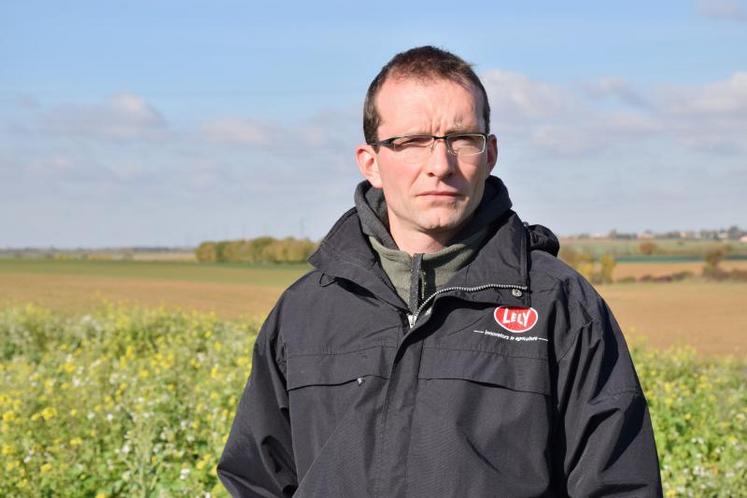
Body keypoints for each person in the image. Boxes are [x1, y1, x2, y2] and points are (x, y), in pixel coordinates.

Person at [218, 46, 662, 497]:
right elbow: (258, 480)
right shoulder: (305, 310)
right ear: (370, 161)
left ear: (490, 154)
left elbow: (621, 484)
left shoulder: (560, 305)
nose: (440, 165)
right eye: (411, 142)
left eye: (462, 139)